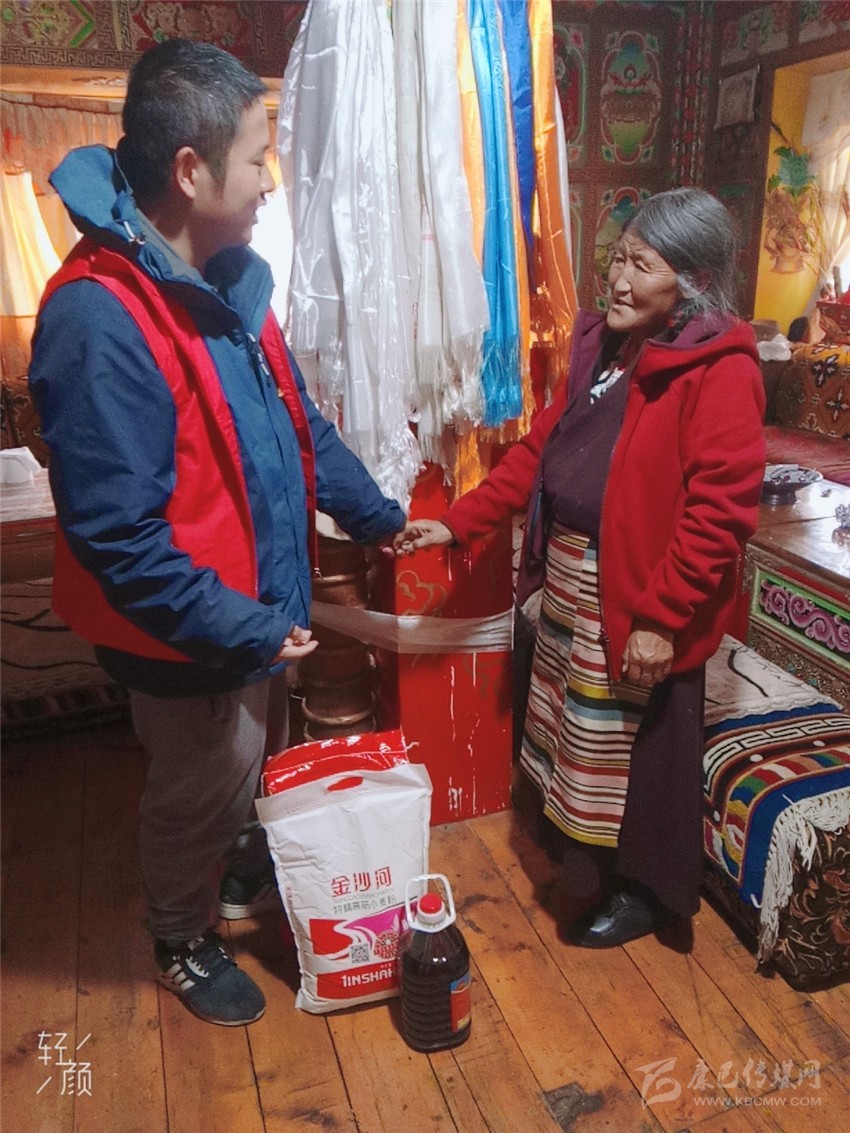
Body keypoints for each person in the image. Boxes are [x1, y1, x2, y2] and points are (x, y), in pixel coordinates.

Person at [29, 39, 406, 1026]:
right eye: (257, 157)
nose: (269, 180)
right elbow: (119, 538)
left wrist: (379, 518)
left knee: (244, 762)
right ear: (191, 172)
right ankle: (179, 936)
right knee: (198, 783)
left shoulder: (228, 281)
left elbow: (297, 425)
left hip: (253, 611)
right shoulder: (100, 316)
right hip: (187, 630)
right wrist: (247, 626)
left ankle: (237, 860)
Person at [389, 188, 766, 947]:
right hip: (576, 574)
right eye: (617, 259)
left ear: (692, 280)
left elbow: (720, 512)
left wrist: (660, 618)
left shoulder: (719, 369)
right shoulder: (606, 347)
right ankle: (585, 861)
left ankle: (642, 892)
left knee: (636, 746)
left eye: (642, 266)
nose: (618, 280)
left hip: (642, 588)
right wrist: (460, 521)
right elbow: (540, 450)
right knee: (578, 730)